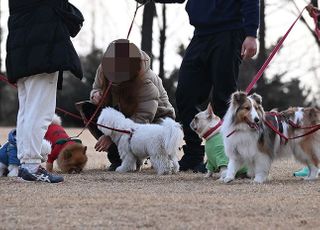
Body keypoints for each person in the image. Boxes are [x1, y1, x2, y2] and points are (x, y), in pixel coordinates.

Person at [135, 0, 259, 172]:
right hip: (201, 34)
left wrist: (251, 33)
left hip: (229, 31)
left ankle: (230, 158)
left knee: (223, 98)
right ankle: (194, 155)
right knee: (186, 94)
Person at [6, 0, 83, 182]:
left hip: (21, 52)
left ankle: (25, 164)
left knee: (26, 112)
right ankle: (31, 165)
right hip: (43, 52)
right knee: (40, 113)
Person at [76, 39, 175, 171]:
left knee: (142, 136)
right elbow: (96, 88)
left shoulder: (146, 83)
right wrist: (96, 95)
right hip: (123, 113)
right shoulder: (103, 69)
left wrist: (111, 135)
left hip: (154, 121)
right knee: (88, 108)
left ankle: (138, 158)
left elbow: (141, 121)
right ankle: (118, 157)